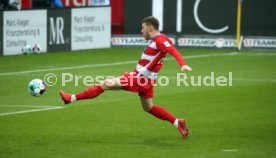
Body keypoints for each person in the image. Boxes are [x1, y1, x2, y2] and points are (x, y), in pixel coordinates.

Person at [60, 16, 192, 139]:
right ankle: (177, 122)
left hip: (139, 79)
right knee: (148, 108)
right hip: (146, 80)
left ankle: (70, 98)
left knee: (105, 84)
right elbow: (170, 48)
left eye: (143, 28)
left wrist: (183, 64)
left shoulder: (159, 40)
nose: (141, 31)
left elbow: (173, 50)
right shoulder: (161, 39)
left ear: (150, 28)